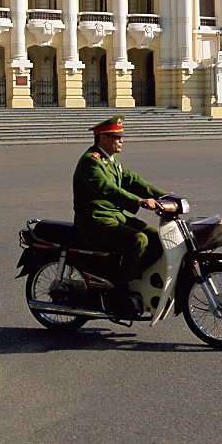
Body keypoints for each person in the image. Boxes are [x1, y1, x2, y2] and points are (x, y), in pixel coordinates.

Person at [73, 115, 164, 318]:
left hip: (115, 215)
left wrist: (162, 195)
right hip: (95, 219)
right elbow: (108, 189)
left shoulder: (111, 159)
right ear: (102, 138)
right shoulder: (91, 161)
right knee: (138, 239)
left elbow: (132, 180)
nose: (122, 140)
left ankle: (133, 276)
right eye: (117, 137)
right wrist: (138, 202)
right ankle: (120, 289)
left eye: (121, 136)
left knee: (157, 236)